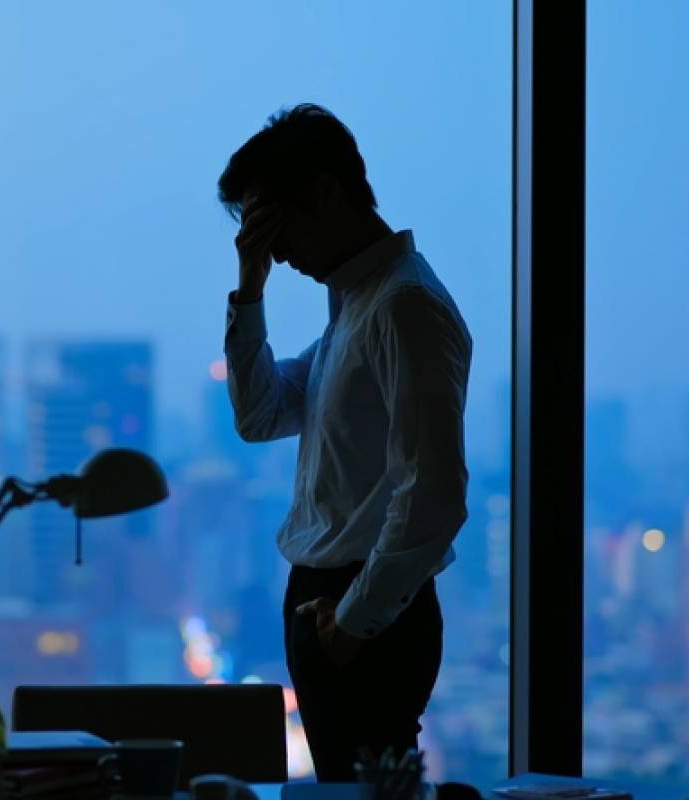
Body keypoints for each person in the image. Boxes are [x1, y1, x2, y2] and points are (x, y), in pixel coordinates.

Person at [217, 104, 472, 782]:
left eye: (273, 226)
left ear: (326, 193)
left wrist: (351, 623)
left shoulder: (404, 307)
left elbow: (434, 493)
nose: (275, 252)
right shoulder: (360, 307)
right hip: (339, 600)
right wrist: (249, 287)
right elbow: (259, 415)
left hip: (363, 606)